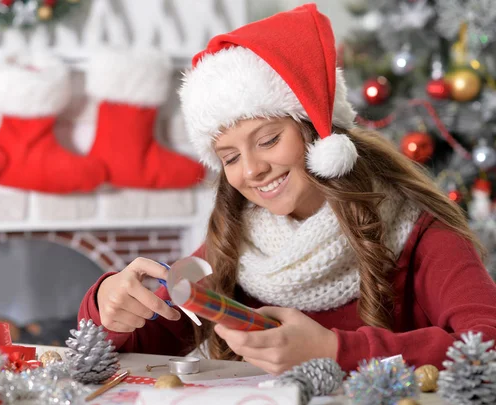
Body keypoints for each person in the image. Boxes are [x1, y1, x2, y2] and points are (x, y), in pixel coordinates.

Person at [78, 3, 496, 374]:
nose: (253, 170)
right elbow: (136, 349)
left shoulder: (418, 231)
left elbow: (487, 348)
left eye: (268, 140)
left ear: (317, 132)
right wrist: (109, 305)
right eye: (230, 157)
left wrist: (336, 350)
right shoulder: (240, 240)